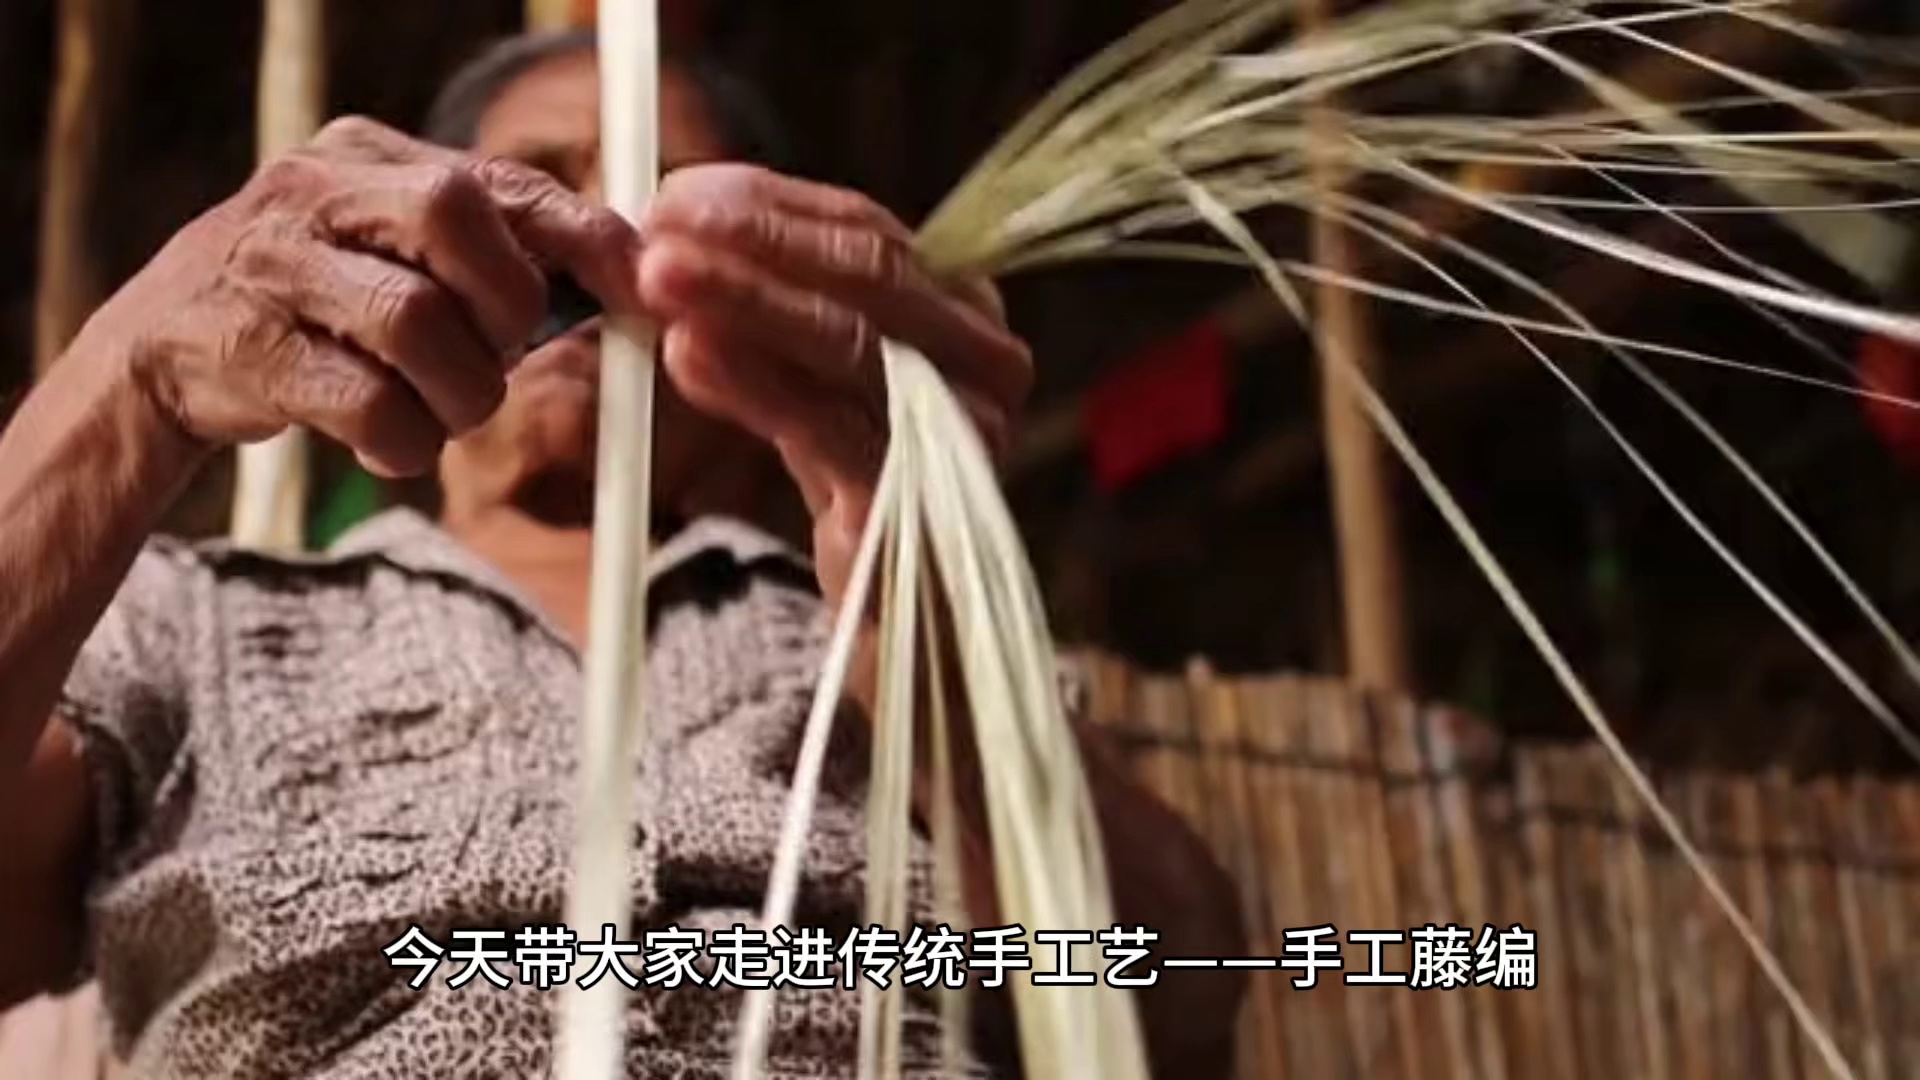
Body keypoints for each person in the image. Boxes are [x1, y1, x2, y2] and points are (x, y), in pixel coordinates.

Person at [0, 29, 1246, 1078]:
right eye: (533, 189)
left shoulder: (861, 627)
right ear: (392, 255)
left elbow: (1173, 1004)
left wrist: (943, 645)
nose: (593, 244)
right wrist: (126, 382)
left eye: (663, 207)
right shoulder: (198, 621)